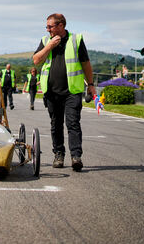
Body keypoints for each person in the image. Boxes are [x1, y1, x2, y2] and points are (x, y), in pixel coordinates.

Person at [33, 13, 95, 172]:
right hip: (52, 92)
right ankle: (59, 154)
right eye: (47, 26)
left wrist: (91, 85)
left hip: (71, 91)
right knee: (56, 124)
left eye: (50, 26)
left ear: (61, 25)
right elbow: (36, 60)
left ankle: (76, 156)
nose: (47, 29)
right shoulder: (46, 40)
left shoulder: (76, 40)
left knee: (73, 123)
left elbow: (86, 63)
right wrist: (49, 46)